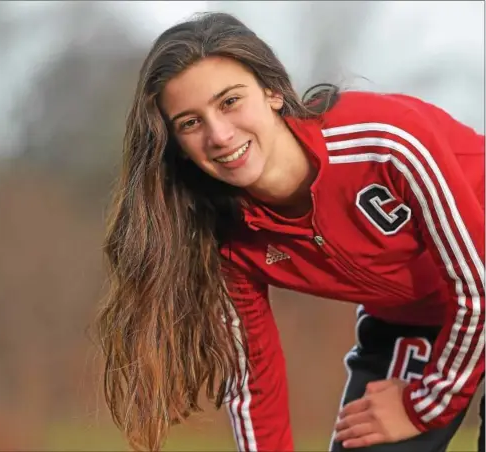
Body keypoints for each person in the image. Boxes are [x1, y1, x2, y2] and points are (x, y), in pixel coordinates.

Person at [94, 11, 485, 452]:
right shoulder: (221, 238)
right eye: (190, 122)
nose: (219, 135)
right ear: (176, 146)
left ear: (273, 92)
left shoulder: (386, 143)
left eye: (229, 102)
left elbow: (479, 288)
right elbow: (253, 381)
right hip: (411, 322)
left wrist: (422, 408)